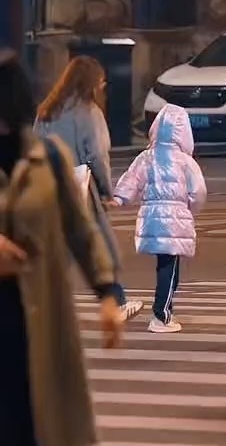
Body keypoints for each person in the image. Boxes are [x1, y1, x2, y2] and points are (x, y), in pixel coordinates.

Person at [0, 50, 123, 446]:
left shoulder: (47, 158)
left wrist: (107, 292)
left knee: (38, 424)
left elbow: (81, 231)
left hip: (39, 321)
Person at [34, 55, 143, 322]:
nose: (103, 87)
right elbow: (97, 155)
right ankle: (116, 302)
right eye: (101, 83)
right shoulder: (89, 112)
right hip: (80, 188)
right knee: (99, 248)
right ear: (91, 84)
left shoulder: (46, 111)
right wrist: (106, 190)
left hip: (47, 187)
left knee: (55, 251)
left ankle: (40, 306)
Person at [113, 103, 207, 333]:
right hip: (175, 220)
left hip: (151, 217)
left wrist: (119, 198)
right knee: (170, 269)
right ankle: (161, 316)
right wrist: (190, 210)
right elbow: (198, 192)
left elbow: (131, 180)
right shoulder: (185, 161)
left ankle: (163, 312)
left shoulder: (146, 157)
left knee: (164, 266)